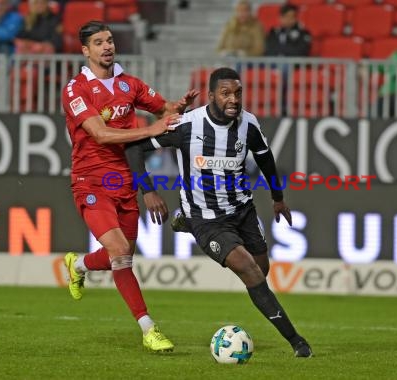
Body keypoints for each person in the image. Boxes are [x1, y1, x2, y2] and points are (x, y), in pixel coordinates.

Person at [125, 67, 313, 358]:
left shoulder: (248, 125)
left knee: (261, 271)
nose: (233, 99)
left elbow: (265, 159)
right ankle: (297, 341)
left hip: (242, 210)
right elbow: (134, 149)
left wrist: (278, 199)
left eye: (238, 93)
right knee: (250, 270)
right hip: (207, 219)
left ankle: (183, 222)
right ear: (211, 95)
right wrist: (148, 190)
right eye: (226, 93)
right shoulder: (186, 125)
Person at [61, 20, 198, 353]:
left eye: (109, 40)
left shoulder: (130, 85)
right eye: (98, 42)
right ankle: (149, 329)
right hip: (90, 180)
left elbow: (164, 109)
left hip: (124, 181)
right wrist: (151, 131)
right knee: (120, 252)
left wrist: (178, 108)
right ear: (86, 50)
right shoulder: (75, 89)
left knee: (119, 258)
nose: (107, 46)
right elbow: (101, 134)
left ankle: (78, 265)